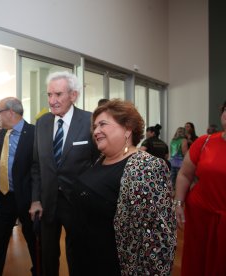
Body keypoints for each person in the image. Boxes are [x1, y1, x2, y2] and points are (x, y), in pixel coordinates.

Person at [73, 99, 176, 275]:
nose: (96, 131)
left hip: (115, 266)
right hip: (88, 260)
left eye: (103, 124)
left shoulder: (146, 166)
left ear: (127, 128)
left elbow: (158, 239)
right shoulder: (101, 159)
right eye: (95, 127)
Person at [29, 71, 99, 276]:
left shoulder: (89, 121)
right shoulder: (42, 123)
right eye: (49, 95)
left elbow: (98, 163)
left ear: (73, 95)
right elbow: (35, 165)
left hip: (78, 202)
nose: (52, 100)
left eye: (58, 94)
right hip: (48, 201)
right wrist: (35, 200)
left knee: (77, 254)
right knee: (48, 255)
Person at [175, 93, 226, 276]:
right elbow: (184, 174)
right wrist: (178, 202)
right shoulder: (205, 141)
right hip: (201, 217)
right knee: (198, 263)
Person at [0, 97, 36, 276]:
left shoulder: (34, 133)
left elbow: (38, 170)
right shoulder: (0, 135)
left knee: (33, 239)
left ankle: (39, 270)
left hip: (26, 198)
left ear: (10, 112)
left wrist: (36, 199)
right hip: (3, 196)